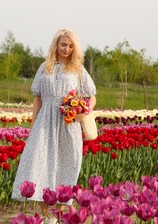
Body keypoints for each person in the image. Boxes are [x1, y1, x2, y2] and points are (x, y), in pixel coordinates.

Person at [11, 28, 96, 222]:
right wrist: (33, 126)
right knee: (40, 168)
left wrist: (82, 114)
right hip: (44, 123)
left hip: (68, 125)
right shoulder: (45, 67)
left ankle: (59, 217)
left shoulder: (78, 69)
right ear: (56, 45)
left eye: (70, 45)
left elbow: (92, 97)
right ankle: (46, 217)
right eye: (63, 44)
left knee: (65, 168)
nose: (66, 48)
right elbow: (38, 98)